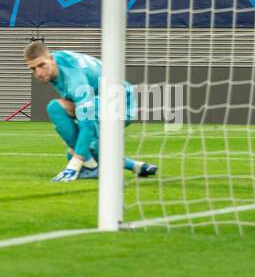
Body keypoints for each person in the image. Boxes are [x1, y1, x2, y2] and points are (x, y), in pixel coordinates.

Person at [24, 42, 157, 182]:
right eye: (33, 69)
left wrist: (74, 166)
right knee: (79, 148)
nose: (38, 72)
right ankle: (136, 166)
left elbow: (86, 124)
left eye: (41, 65)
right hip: (108, 99)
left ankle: (92, 168)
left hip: (120, 103)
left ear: (51, 59)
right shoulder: (58, 64)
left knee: (60, 115)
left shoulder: (74, 77)